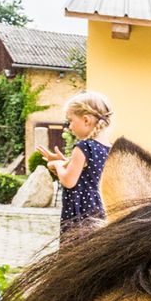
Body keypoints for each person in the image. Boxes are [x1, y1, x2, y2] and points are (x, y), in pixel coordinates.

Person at [41, 92, 113, 243]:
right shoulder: (108, 148)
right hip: (98, 209)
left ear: (86, 120)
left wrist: (57, 164)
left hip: (80, 210)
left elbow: (69, 180)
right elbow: (87, 173)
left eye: (70, 121)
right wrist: (66, 161)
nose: (69, 127)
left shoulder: (84, 146)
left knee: (74, 251)